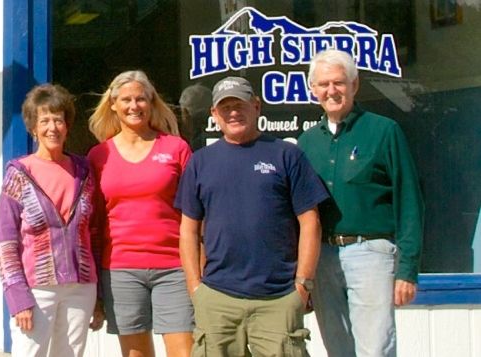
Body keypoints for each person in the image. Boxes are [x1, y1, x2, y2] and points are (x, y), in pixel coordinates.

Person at [175, 76, 329, 356]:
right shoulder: (200, 162)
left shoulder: (287, 155)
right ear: (214, 115)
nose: (233, 112)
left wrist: (302, 286)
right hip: (217, 297)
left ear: (256, 106)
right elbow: (188, 230)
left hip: (278, 297)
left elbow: (311, 223)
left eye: (240, 104)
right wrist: (195, 287)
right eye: (225, 107)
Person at [297, 49, 424, 357]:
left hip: (371, 253)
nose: (331, 91)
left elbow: (409, 201)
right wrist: (302, 274)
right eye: (323, 84)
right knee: (337, 349)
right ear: (312, 89)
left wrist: (407, 270)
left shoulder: (384, 131)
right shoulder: (306, 143)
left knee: (375, 348)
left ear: (354, 85)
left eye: (339, 83)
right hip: (323, 258)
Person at [87, 70, 194, 357]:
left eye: (141, 99)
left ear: (152, 102)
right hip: (121, 269)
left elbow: (195, 215)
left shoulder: (176, 148)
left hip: (174, 266)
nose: (134, 106)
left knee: (184, 352)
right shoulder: (99, 156)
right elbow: (94, 222)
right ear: (113, 104)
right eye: (126, 100)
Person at [0, 83, 103, 357]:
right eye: (45, 120)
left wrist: (99, 295)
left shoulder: (84, 171)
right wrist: (17, 297)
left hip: (81, 287)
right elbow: (5, 243)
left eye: (59, 119)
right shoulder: (19, 173)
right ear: (33, 127)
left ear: (67, 126)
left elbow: (95, 233)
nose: (52, 127)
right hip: (36, 289)